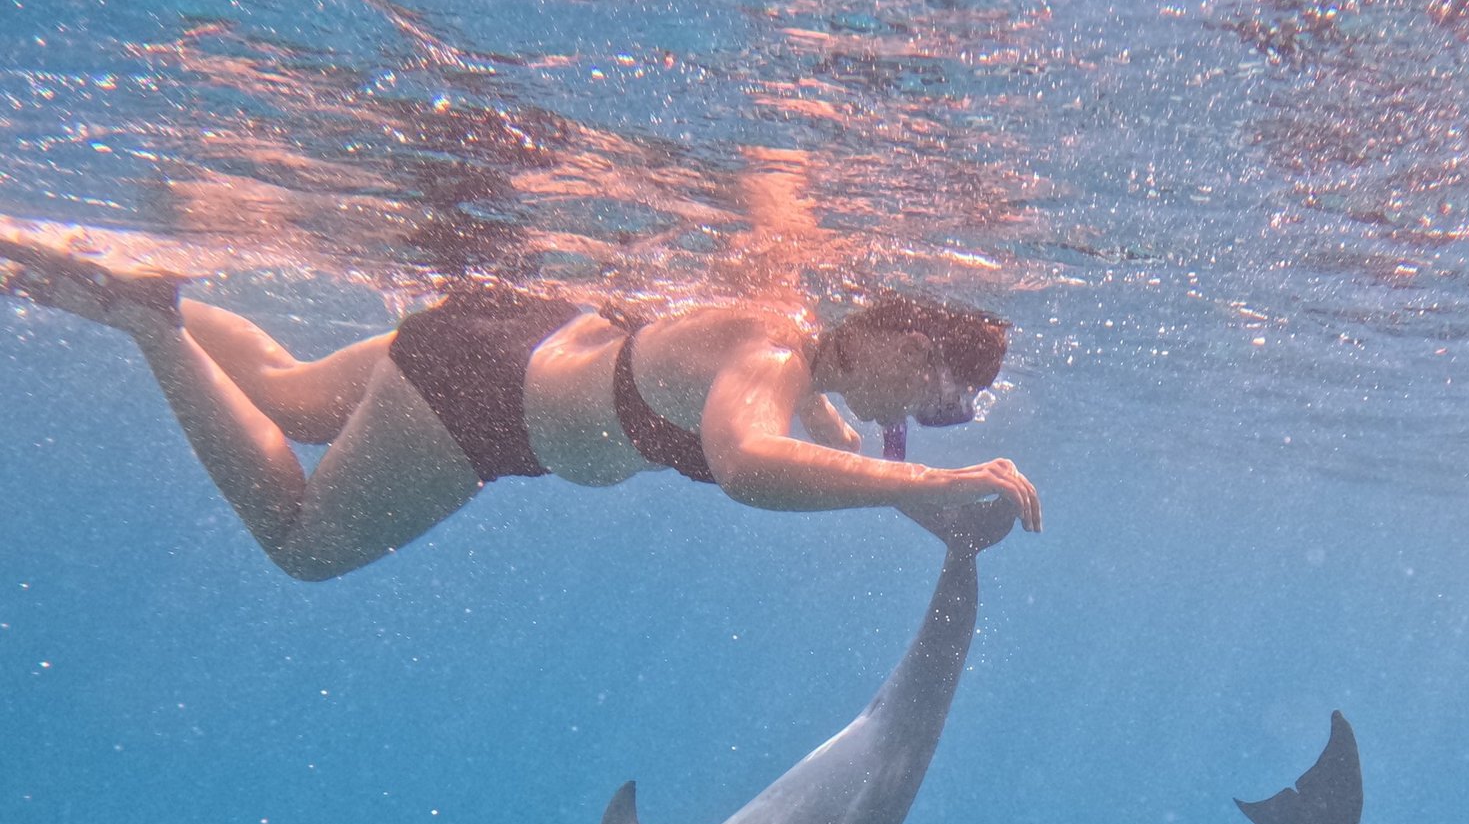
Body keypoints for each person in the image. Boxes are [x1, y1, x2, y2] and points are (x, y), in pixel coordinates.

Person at [0, 230, 1042, 582]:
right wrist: (936, 476)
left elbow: (831, 447)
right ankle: (149, 322)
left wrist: (939, 508)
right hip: (483, 406)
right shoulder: (771, 356)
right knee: (304, 541)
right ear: (907, 343)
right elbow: (750, 464)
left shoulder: (794, 338)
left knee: (284, 397)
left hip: (505, 329)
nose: (934, 422)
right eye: (943, 401)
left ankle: (142, 284)